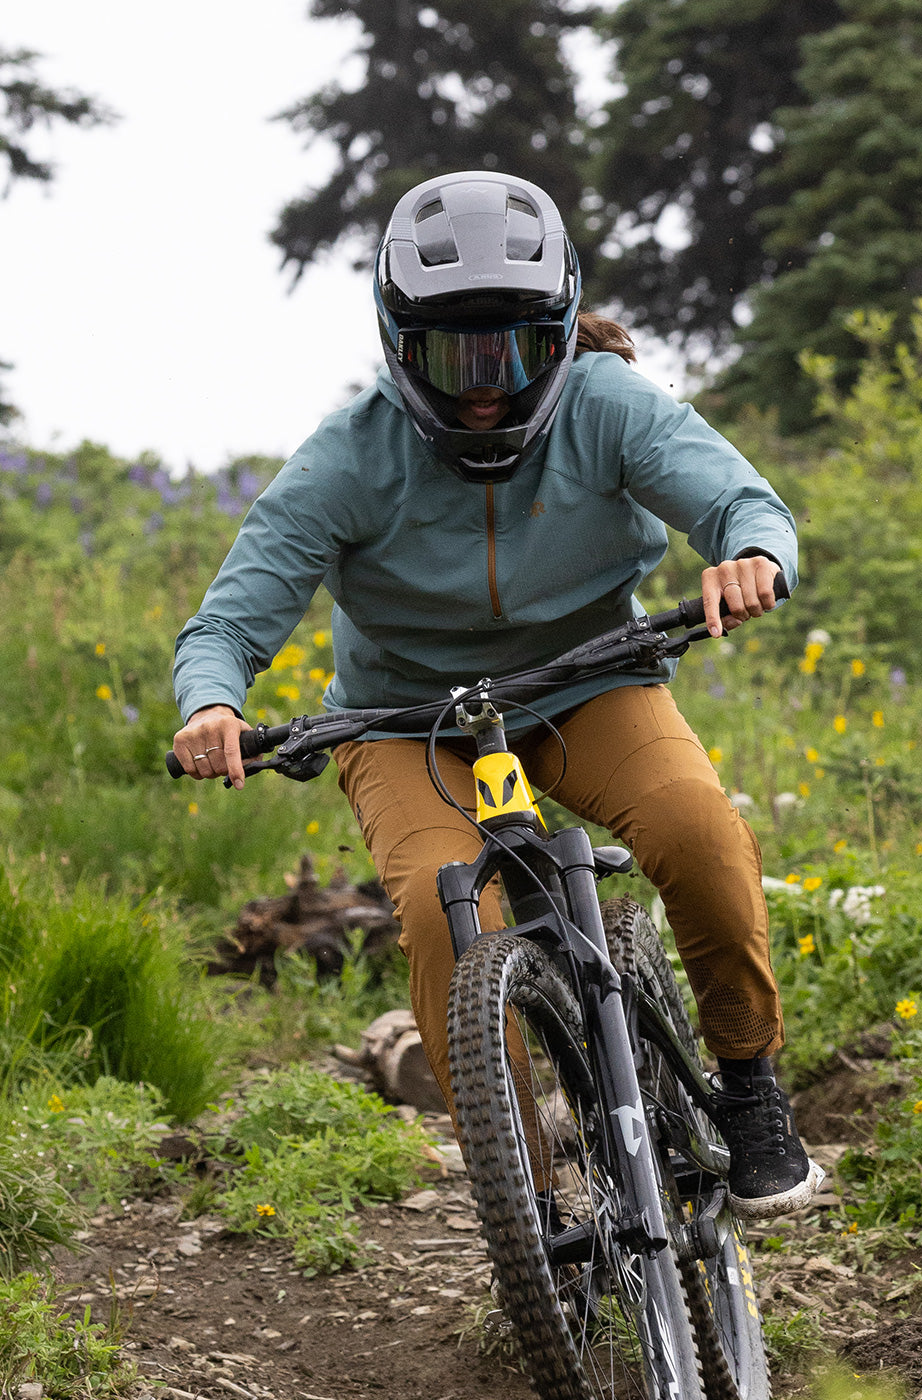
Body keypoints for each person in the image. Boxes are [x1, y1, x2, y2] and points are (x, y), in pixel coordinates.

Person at [172, 169, 823, 1220]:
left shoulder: (609, 406)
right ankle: (519, 1180)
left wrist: (749, 552)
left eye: (513, 349)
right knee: (443, 910)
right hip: (406, 723)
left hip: (587, 683)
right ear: (395, 341)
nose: (482, 385)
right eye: (448, 353)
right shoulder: (347, 457)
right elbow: (231, 617)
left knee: (697, 827)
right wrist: (211, 699)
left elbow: (740, 498)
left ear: (561, 330)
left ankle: (749, 1087)